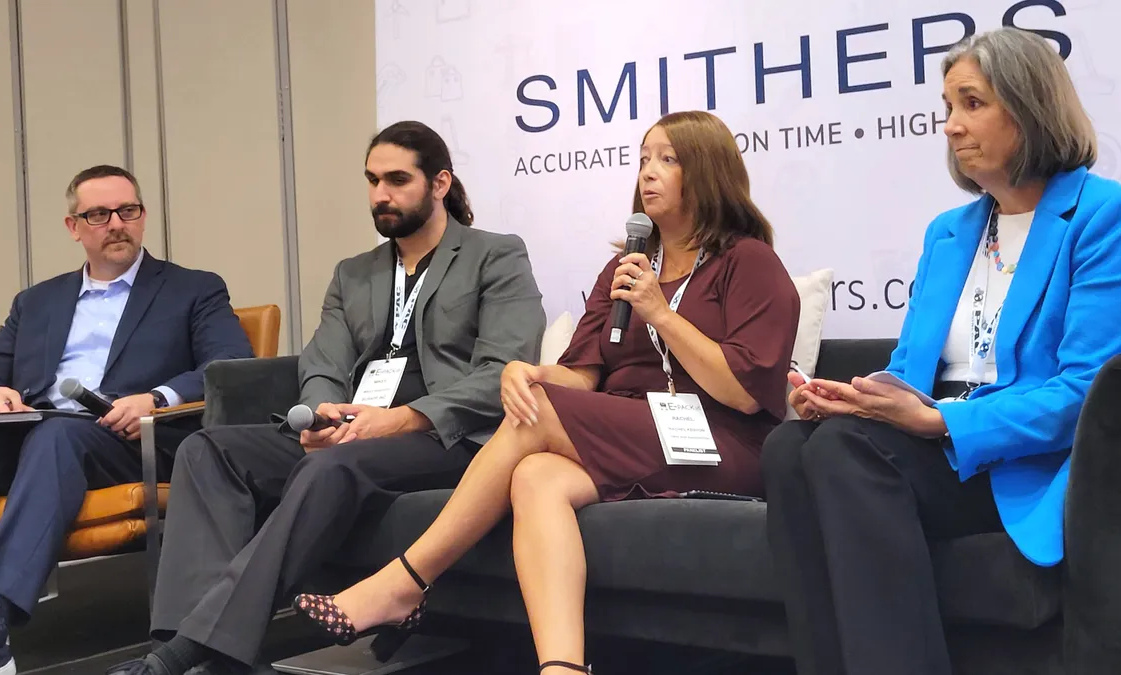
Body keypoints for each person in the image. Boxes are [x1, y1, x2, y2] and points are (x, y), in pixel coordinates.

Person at [290, 110, 801, 673]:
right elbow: (581, 376)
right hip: (634, 433)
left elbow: (746, 393)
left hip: (721, 440)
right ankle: (562, 667)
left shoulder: (748, 261)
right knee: (536, 475)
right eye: (644, 158)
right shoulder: (625, 268)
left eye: (668, 159)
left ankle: (404, 581)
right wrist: (525, 373)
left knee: (538, 418)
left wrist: (661, 313)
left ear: (706, 171)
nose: (648, 172)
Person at [760, 27, 1121, 675]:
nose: (951, 126)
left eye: (972, 103)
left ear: (1029, 107)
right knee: (790, 445)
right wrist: (856, 398)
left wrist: (942, 421)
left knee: (846, 450)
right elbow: (910, 373)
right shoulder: (948, 233)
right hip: (932, 453)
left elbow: (1085, 395)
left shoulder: (1109, 219)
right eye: (948, 107)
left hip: (1025, 463)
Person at [112, 121, 545, 675]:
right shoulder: (355, 273)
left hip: (447, 436)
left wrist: (402, 419)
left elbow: (501, 371)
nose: (380, 195)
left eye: (396, 180)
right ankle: (189, 643)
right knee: (208, 450)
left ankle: (186, 655)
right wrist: (321, 412)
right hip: (354, 431)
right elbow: (322, 363)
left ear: (440, 184)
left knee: (335, 466)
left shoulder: (495, 256)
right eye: (371, 181)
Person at [0, 165, 253, 675]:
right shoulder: (37, 301)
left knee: (59, 436)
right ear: (73, 227)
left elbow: (229, 364)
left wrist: (158, 398)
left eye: (128, 211)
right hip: (34, 432)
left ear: (143, 217)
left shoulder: (193, 289)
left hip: (126, 439)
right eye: (98, 214)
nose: (116, 223)